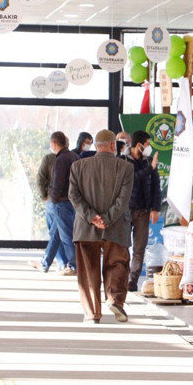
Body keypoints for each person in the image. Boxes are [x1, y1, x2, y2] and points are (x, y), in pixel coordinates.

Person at [69, 129, 134, 324]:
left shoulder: (78, 166)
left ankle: (92, 313)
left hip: (85, 227)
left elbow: (73, 196)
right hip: (116, 227)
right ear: (114, 145)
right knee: (117, 264)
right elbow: (123, 200)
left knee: (88, 270)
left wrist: (92, 217)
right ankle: (115, 300)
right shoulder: (125, 168)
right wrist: (106, 219)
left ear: (96, 146)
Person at [124, 130, 162, 292]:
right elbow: (130, 178)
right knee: (123, 246)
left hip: (143, 210)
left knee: (139, 247)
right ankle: (121, 276)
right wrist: (150, 168)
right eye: (147, 144)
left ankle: (132, 280)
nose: (149, 147)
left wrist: (155, 208)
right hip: (125, 210)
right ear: (139, 145)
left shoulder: (148, 162)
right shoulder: (123, 160)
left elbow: (156, 187)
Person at [28, 149, 68, 273]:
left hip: (53, 201)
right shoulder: (70, 158)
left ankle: (49, 263)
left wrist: (44, 196)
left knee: (55, 233)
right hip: (64, 201)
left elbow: (40, 178)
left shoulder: (50, 159)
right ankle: (61, 263)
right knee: (57, 233)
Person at [48, 131, 79, 276]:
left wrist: (53, 198)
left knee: (66, 236)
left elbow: (58, 182)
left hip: (61, 202)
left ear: (54, 143)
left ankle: (73, 266)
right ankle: (45, 262)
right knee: (55, 233)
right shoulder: (74, 156)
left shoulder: (60, 160)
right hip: (72, 201)